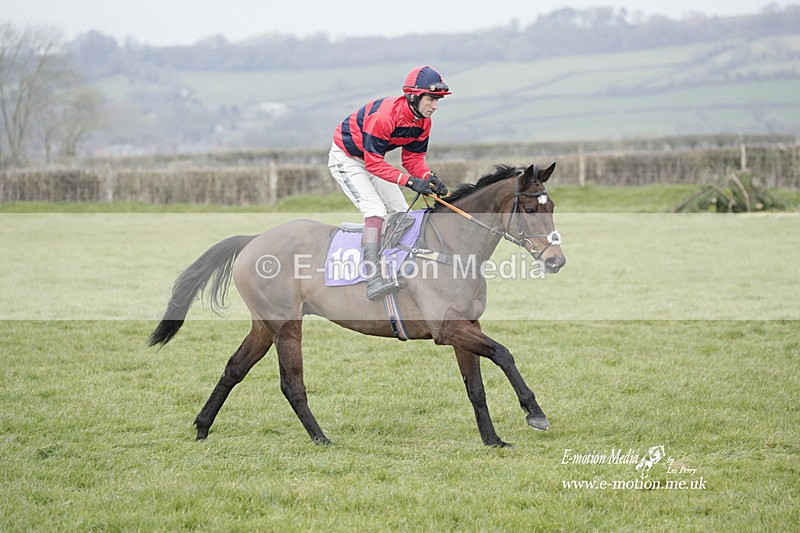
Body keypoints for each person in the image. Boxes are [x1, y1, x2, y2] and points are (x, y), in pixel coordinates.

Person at [328, 65, 451, 300]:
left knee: (401, 213)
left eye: (438, 101)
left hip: (371, 159)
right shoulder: (384, 117)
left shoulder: (423, 121)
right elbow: (373, 164)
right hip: (347, 158)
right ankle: (372, 278)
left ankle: (397, 266)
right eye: (432, 99)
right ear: (414, 96)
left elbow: (413, 158)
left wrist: (427, 178)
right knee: (375, 210)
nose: (435, 106)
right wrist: (411, 182)